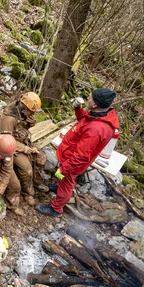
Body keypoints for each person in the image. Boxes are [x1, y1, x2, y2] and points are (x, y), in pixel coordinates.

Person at [36, 88, 119, 217]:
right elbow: (85, 121)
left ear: (96, 104)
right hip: (69, 155)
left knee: (67, 183)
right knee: (63, 182)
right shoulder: (99, 117)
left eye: (90, 98)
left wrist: (65, 169)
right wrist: (79, 110)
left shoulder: (96, 130)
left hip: (72, 161)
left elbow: (81, 156)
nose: (88, 99)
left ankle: (56, 208)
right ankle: (58, 188)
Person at [0, 92, 49, 206]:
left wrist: (30, 124)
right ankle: (28, 193)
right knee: (27, 169)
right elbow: (6, 141)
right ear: (24, 108)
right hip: (13, 147)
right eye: (31, 111)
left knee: (41, 157)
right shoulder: (8, 119)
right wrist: (25, 148)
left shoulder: (21, 112)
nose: (33, 114)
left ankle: (37, 182)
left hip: (23, 140)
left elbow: (22, 127)